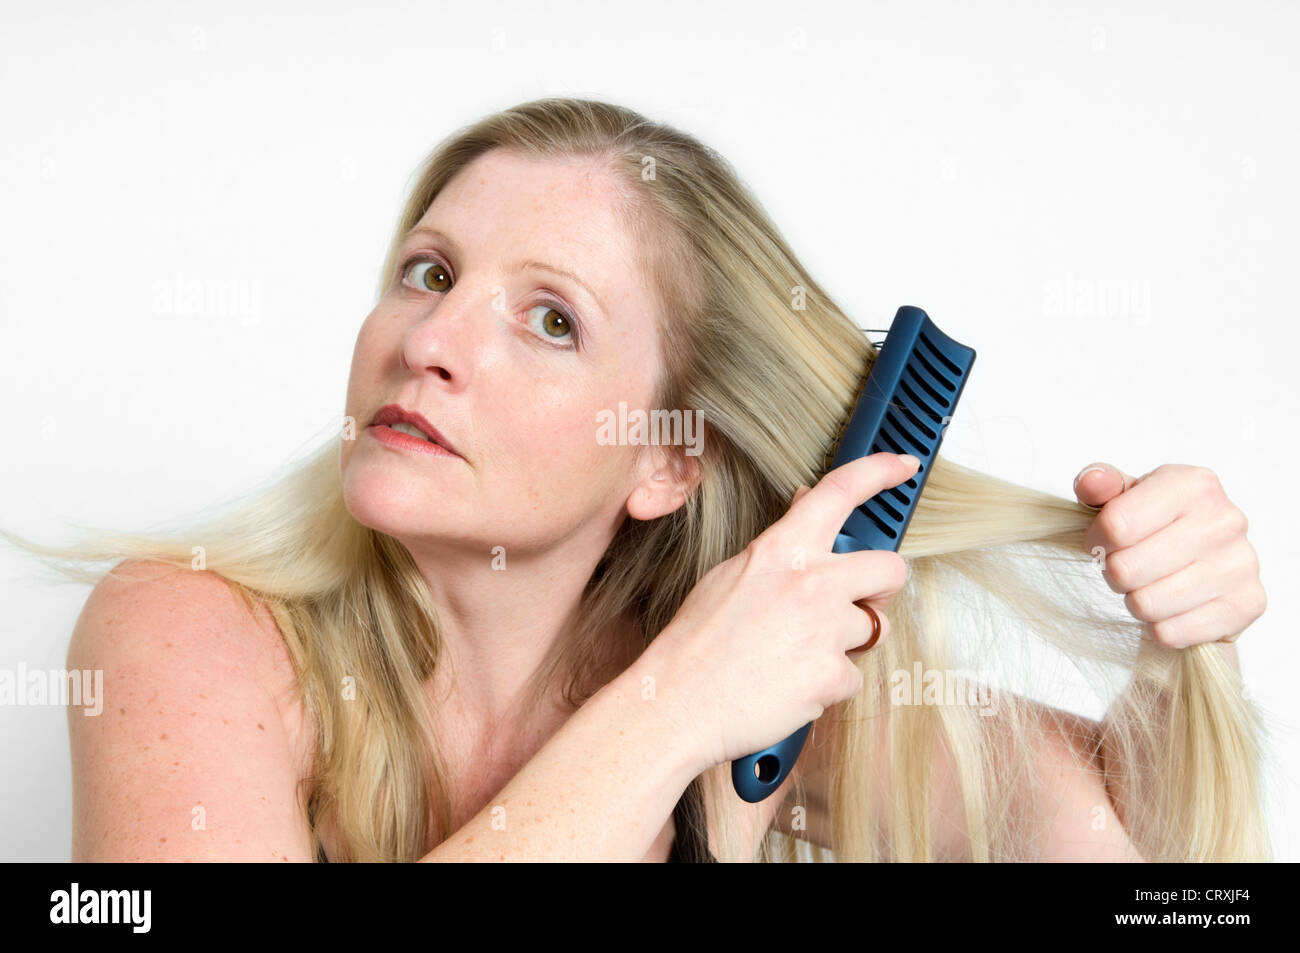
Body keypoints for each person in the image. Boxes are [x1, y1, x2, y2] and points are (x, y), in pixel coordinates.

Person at [4, 97, 1269, 862]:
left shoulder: (763, 697)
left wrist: (1181, 644)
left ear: (669, 455)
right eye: (431, 272)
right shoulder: (186, 629)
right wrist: (669, 711)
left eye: (549, 319)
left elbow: (1127, 850)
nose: (429, 342)